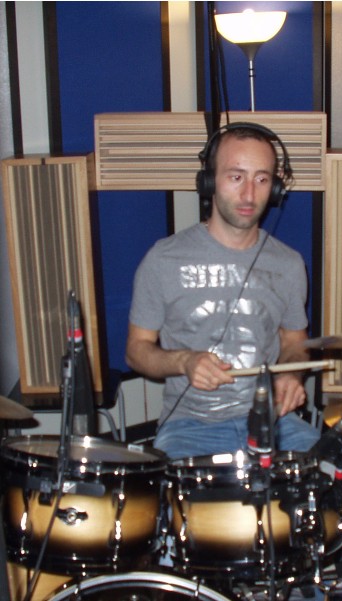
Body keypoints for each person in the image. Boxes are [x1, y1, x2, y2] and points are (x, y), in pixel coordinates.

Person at [125, 122, 321, 460]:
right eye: (236, 177)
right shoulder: (163, 259)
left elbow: (294, 342)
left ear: (275, 188)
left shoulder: (289, 264)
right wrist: (184, 361)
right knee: (183, 493)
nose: (249, 195)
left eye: (262, 179)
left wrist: (291, 373)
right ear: (209, 181)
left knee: (333, 476)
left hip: (272, 421)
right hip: (190, 427)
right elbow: (136, 350)